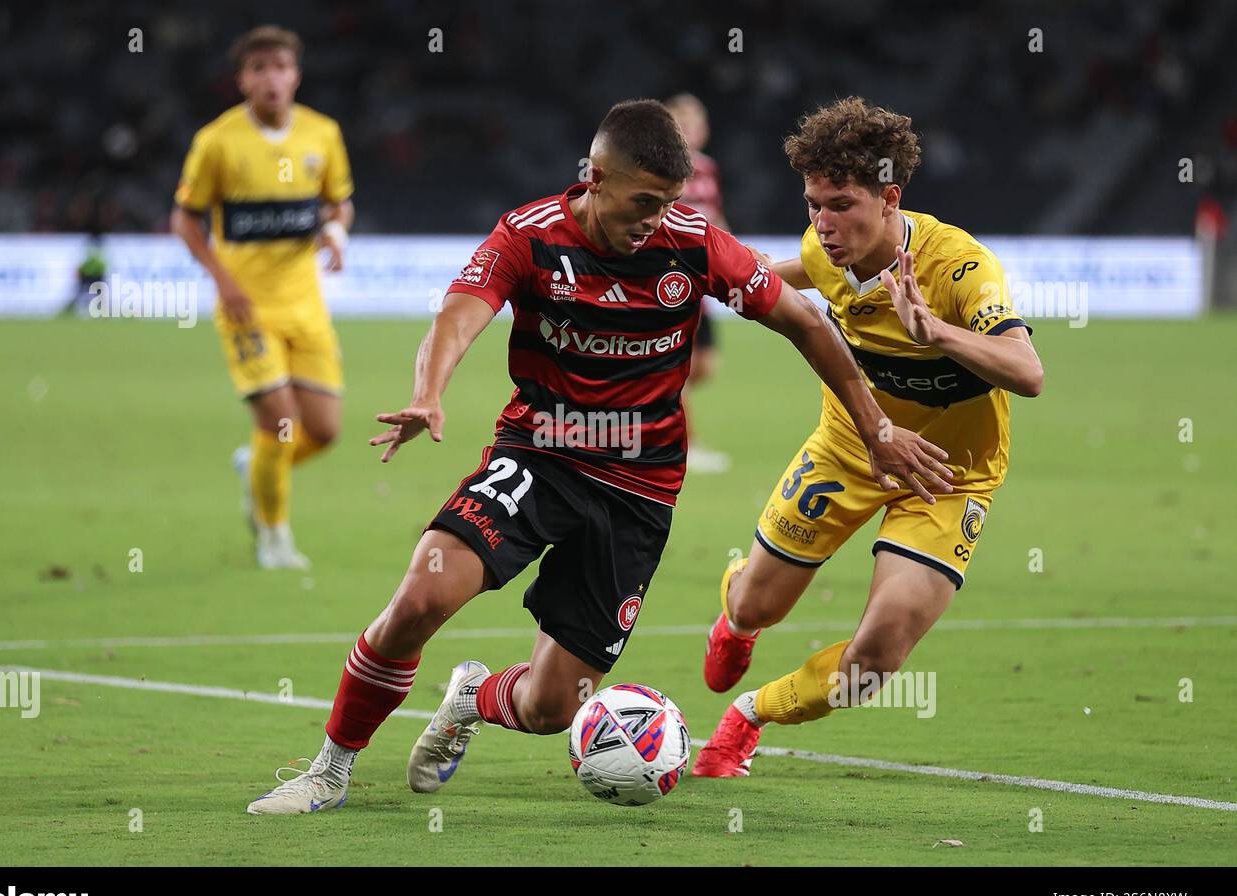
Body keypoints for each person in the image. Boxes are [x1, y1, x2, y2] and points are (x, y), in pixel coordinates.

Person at [245, 98, 948, 814]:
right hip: (539, 457)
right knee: (419, 599)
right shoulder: (530, 234)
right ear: (597, 177)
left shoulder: (694, 244)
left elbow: (805, 323)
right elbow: (460, 313)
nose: (657, 217)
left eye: (670, 201)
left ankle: (469, 698)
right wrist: (429, 392)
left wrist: (876, 428)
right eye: (644, 199)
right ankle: (329, 771)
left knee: (552, 707)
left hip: (638, 493)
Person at [694, 97, 1044, 777]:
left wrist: (937, 332)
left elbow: (1027, 373)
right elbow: (783, 278)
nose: (824, 224)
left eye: (841, 204)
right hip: (849, 449)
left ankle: (748, 717)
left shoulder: (958, 269)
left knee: (878, 656)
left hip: (947, 477)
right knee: (755, 602)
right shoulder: (823, 248)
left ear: (890, 198)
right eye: (813, 204)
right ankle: (736, 619)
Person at [170, 25, 354, 570]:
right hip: (246, 310)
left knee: (322, 431)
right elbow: (184, 217)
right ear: (242, 80)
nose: (271, 78)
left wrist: (337, 233)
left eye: (280, 67)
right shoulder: (218, 142)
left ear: (295, 75)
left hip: (307, 307)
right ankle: (274, 537)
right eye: (259, 69)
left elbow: (339, 203)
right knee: (278, 421)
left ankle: (256, 468)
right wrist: (222, 279)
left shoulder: (322, 134)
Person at [665, 92, 731, 473]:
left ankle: (647, 404)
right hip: (677, 280)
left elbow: (715, 218)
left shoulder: (707, 168)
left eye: (697, 120)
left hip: (705, 281)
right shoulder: (664, 169)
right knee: (680, 366)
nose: (693, 128)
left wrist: (737, 255)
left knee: (704, 366)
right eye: (684, 121)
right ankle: (684, 446)